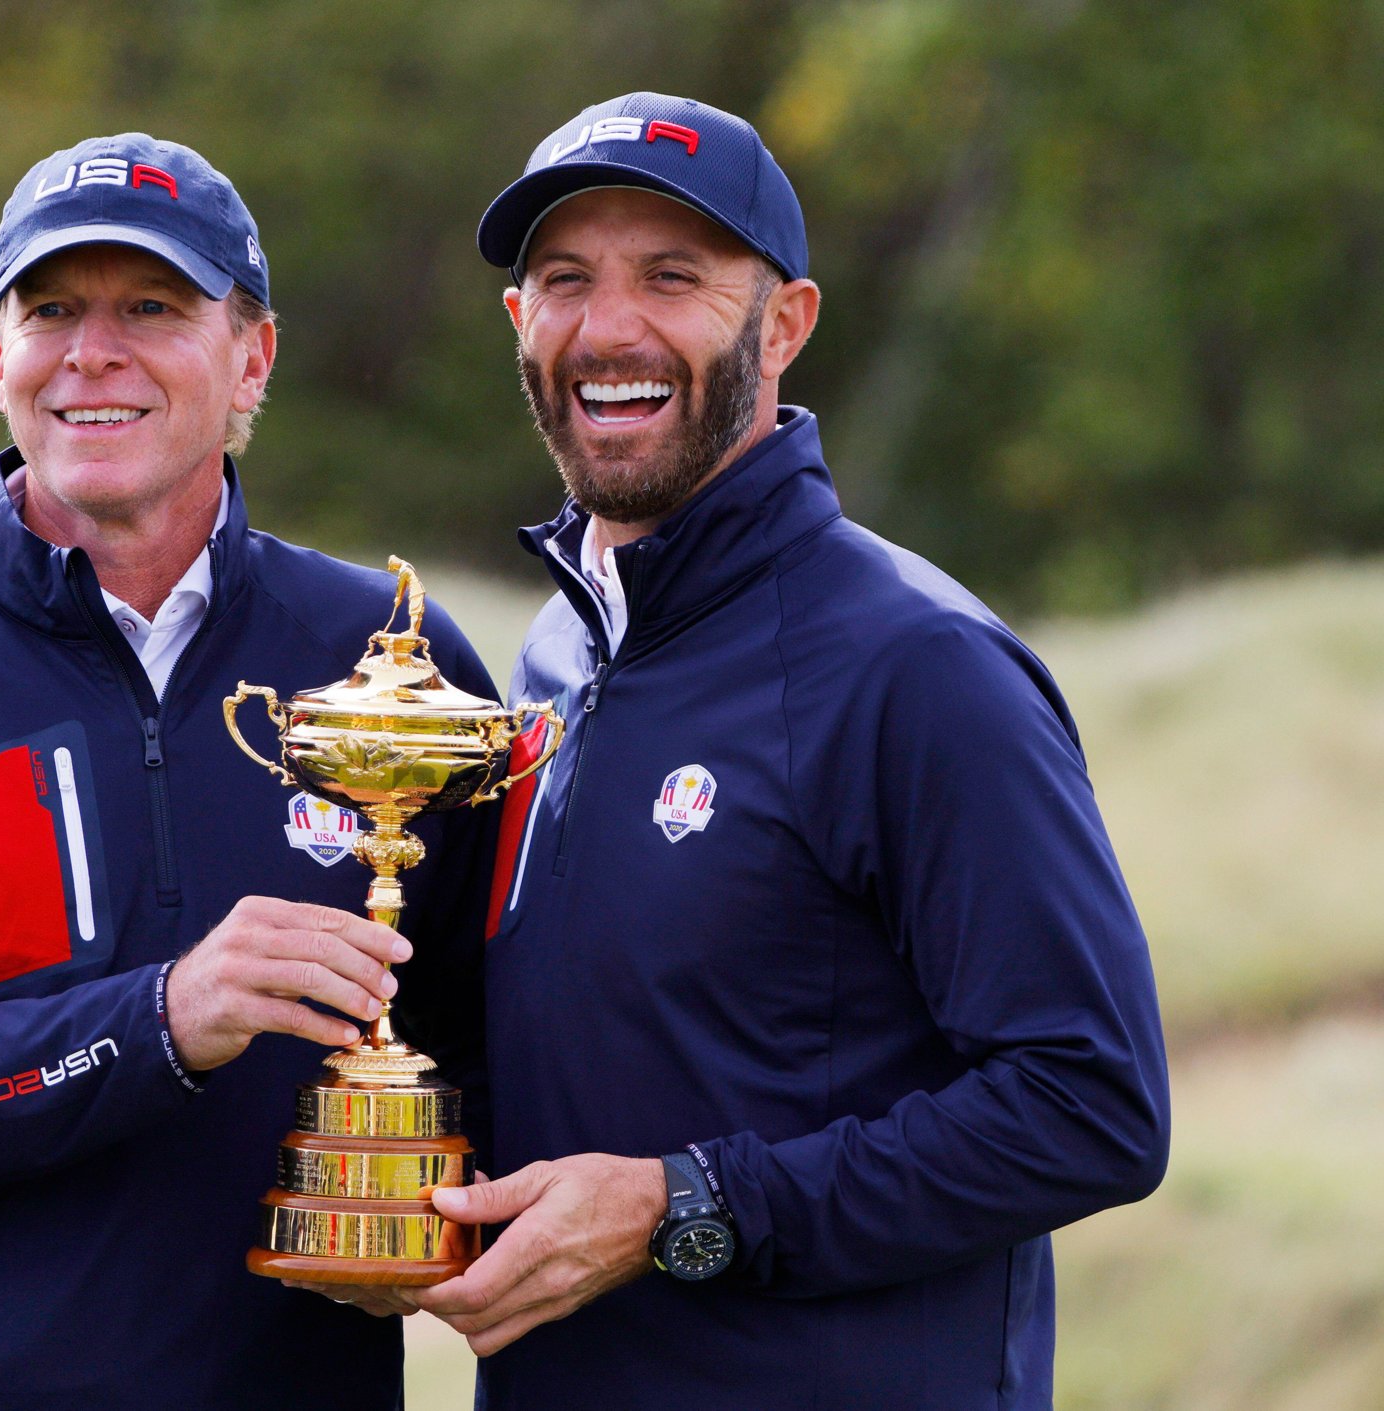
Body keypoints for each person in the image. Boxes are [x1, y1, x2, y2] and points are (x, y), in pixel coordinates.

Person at [407, 93, 1171, 1409]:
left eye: (675, 277)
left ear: (788, 323)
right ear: (521, 323)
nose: (612, 327)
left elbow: (1088, 1103)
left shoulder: (915, 665)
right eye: (565, 279)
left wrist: (682, 1207)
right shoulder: (549, 657)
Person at [0, 132, 493, 1411]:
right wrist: (158, 1023)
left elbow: (487, 1050)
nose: (92, 353)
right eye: (52, 309)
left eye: (152, 308)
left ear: (254, 357)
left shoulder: (389, 662)